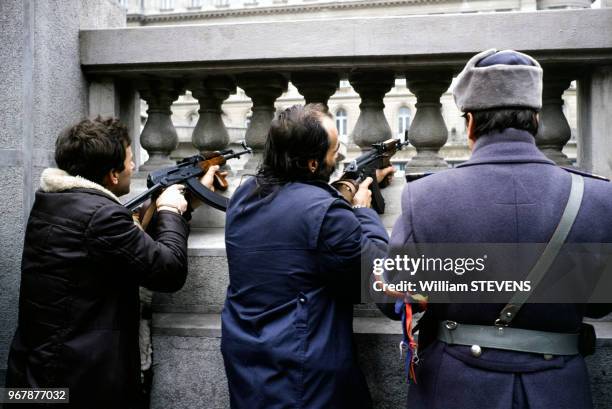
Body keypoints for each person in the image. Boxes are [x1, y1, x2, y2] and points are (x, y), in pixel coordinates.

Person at [382, 49, 612, 409]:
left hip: (455, 389)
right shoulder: (600, 197)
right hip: (558, 391)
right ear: (536, 119)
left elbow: (391, 298)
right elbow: (600, 307)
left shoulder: (424, 197)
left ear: (470, 121)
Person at [5, 117, 218, 409]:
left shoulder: (54, 202)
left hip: (34, 380)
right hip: (77, 386)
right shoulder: (101, 217)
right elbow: (168, 271)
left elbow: (121, 248)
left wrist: (183, 204)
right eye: (131, 161)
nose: (133, 168)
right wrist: (170, 210)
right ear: (113, 175)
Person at [221, 104, 394, 408]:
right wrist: (363, 212)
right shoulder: (326, 212)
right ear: (313, 163)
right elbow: (388, 282)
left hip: (251, 374)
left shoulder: (243, 196)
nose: (338, 156)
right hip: (306, 382)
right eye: (335, 149)